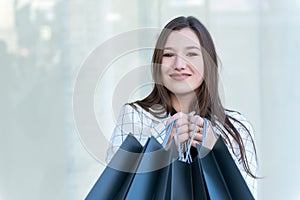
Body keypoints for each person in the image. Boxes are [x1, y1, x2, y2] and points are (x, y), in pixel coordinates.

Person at [106, 16, 258, 198]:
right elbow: (116, 191)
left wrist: (215, 152)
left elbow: (246, 194)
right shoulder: (135, 117)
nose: (179, 65)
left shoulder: (236, 128)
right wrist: (161, 147)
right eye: (168, 55)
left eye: (191, 54)